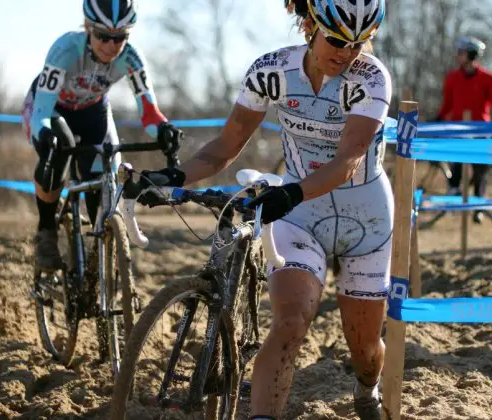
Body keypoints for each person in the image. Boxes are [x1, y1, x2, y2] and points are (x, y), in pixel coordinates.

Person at [131, 0, 390, 418]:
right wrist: (173, 177)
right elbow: (224, 148)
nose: (346, 52)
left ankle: (367, 389)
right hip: (303, 215)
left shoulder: (371, 78)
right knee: (290, 321)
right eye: (338, 39)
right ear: (310, 24)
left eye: (359, 44)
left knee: (363, 348)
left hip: (365, 218)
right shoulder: (272, 71)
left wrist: (289, 192)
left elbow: (349, 160)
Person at [21, 0, 183, 270]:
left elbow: (150, 114)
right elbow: (42, 114)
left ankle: (96, 253)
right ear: (87, 28)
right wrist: (45, 135)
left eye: (119, 37)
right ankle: (46, 232)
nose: (111, 45)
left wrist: (165, 129)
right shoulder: (65, 49)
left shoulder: (131, 57)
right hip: (52, 110)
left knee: (105, 175)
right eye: (103, 36)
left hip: (93, 112)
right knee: (59, 149)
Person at [434, 36, 492, 223]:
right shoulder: (452, 78)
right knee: (456, 163)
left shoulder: (489, 79)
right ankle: (453, 192)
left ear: (472, 54)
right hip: (458, 129)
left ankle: (478, 207)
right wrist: (439, 118)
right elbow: (448, 104)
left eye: (461, 52)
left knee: (480, 169)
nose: (458, 56)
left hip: (480, 129)